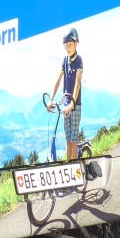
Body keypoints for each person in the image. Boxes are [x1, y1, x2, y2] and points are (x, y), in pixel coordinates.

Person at [48, 28, 84, 160]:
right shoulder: (65, 60)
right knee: (67, 141)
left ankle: (75, 170)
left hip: (75, 105)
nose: (68, 48)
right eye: (66, 45)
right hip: (66, 105)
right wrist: (51, 100)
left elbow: (77, 83)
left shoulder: (79, 60)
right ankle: (70, 166)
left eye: (70, 45)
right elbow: (58, 80)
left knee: (73, 142)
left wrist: (72, 104)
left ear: (76, 43)